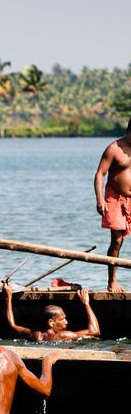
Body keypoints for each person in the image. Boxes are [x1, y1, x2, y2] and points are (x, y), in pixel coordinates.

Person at [94, 118, 131, 292]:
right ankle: (112, 282)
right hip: (115, 198)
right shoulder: (114, 148)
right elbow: (100, 174)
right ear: (128, 132)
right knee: (116, 241)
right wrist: (99, 199)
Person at [3, 282, 100, 341]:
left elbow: (12, 325)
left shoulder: (35, 335)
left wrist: (8, 297)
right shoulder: (63, 336)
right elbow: (95, 331)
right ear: (51, 322)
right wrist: (86, 303)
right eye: (62, 319)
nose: (66, 322)